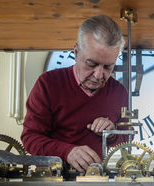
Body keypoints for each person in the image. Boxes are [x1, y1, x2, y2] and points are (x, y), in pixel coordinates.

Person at [21, 15, 128, 172]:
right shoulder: (48, 84)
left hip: (96, 180)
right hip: (51, 182)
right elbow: (30, 138)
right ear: (76, 52)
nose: (99, 75)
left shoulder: (119, 92)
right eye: (91, 64)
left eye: (108, 67)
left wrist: (111, 133)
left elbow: (126, 139)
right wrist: (67, 152)